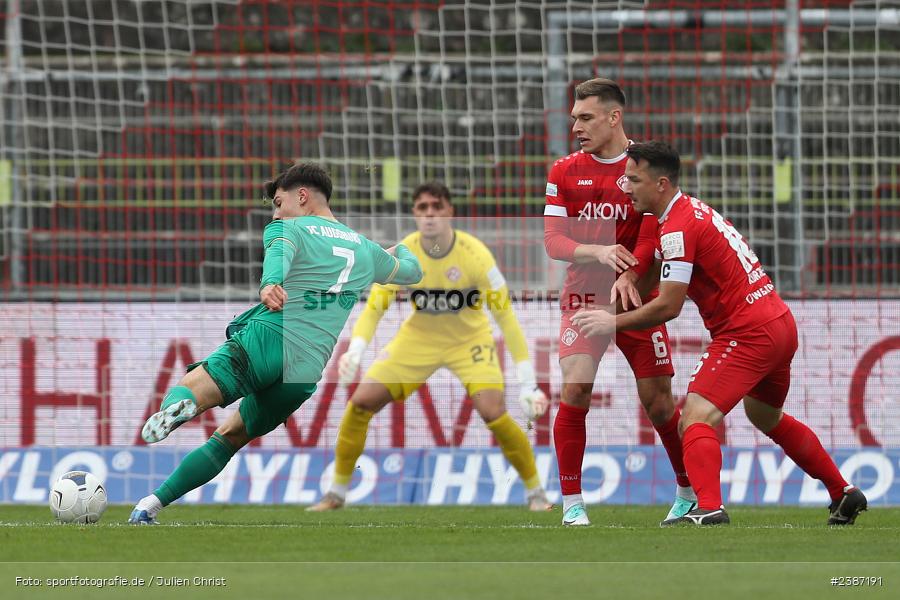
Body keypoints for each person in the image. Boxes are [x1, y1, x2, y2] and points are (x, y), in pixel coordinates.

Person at [573, 141, 867, 525]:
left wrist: (609, 322)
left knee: (694, 417)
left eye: (633, 180)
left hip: (748, 333)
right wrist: (628, 281)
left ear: (660, 184)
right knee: (766, 416)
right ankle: (842, 492)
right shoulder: (688, 212)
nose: (625, 187)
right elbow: (658, 273)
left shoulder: (676, 228)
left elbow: (668, 306)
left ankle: (709, 509)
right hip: (778, 323)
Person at [128, 162, 423, 524]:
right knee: (230, 438)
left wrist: (270, 283)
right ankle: (150, 505)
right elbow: (413, 273)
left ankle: (181, 408)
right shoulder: (365, 250)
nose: (276, 210)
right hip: (305, 370)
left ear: (302, 196)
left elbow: (278, 254)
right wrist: (402, 248)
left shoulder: (287, 227)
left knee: (190, 387)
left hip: (270, 339)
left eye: (279, 201)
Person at [307, 181, 553, 512]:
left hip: (469, 342)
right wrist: (357, 349)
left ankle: (537, 493)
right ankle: (335, 493)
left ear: (449, 211)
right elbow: (376, 305)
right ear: (415, 214)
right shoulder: (404, 253)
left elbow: (506, 318)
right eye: (423, 208)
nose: (430, 214)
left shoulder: (475, 255)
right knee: (360, 404)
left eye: (437, 207)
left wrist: (529, 383)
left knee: (493, 412)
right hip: (418, 340)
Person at [544, 78, 694, 526]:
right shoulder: (564, 170)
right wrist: (599, 252)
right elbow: (553, 240)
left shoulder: (642, 167)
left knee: (660, 403)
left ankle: (687, 491)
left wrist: (630, 271)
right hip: (583, 295)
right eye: (574, 118)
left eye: (585, 117)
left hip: (638, 297)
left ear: (614, 117)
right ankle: (572, 504)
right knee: (574, 389)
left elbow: (653, 235)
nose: (576, 127)